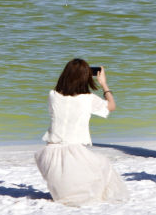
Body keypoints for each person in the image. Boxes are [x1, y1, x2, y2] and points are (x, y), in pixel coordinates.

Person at [34, 58, 130, 206]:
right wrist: (104, 84)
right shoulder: (88, 99)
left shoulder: (52, 95)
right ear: (86, 77)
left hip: (49, 156)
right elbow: (111, 106)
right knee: (103, 165)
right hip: (75, 153)